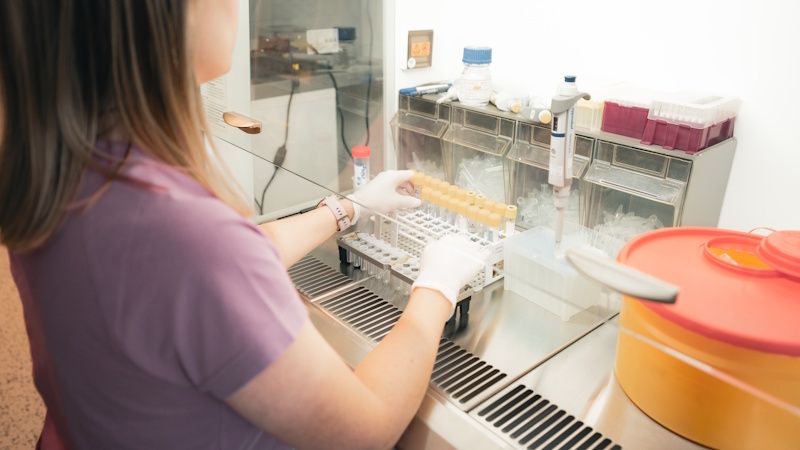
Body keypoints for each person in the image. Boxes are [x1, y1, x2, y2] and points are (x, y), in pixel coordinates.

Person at [0, 1, 485, 449]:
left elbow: (211, 268)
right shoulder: (183, 235)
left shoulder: (64, 170)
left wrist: (347, 208)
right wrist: (436, 287)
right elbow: (367, 427)